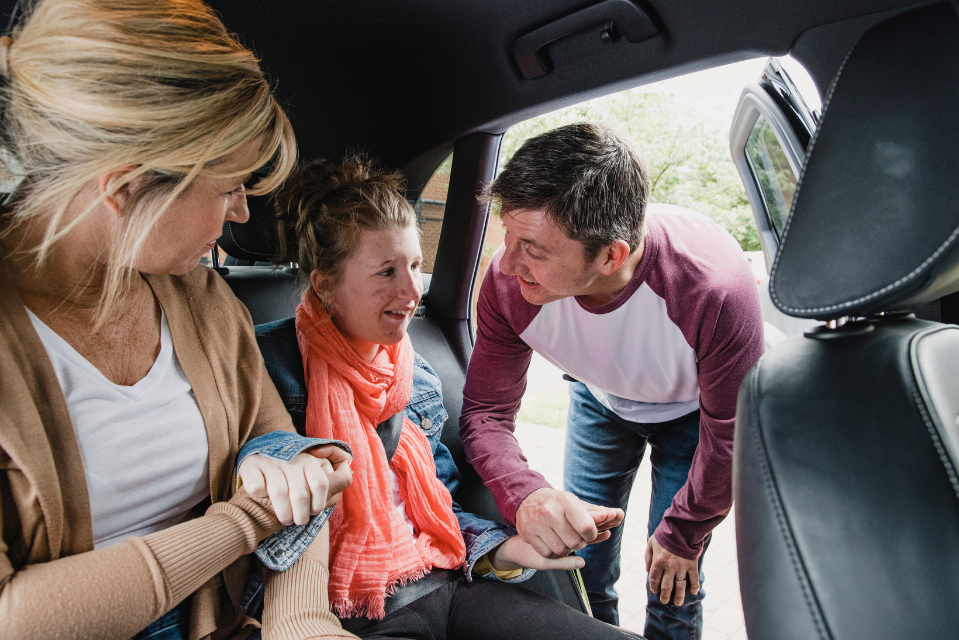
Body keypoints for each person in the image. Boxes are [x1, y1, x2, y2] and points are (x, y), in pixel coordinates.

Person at [0, 2, 355, 639]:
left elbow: (285, 452)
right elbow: (12, 618)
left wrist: (303, 619)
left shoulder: (202, 297)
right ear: (126, 187)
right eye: (228, 188)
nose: (243, 213)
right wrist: (243, 523)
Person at [258, 155, 634, 640]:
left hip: (442, 581)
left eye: (416, 265)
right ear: (326, 284)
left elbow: (440, 509)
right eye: (386, 272)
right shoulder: (266, 367)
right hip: (338, 610)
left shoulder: (417, 376)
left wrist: (507, 550)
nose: (412, 289)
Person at [460, 122, 764, 640]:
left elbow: (733, 434)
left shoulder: (712, 287)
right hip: (599, 400)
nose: (506, 264)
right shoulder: (506, 284)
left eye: (532, 248)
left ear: (610, 256)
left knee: (672, 577)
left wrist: (685, 531)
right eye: (507, 235)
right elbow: (485, 412)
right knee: (586, 563)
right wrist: (525, 494)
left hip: (694, 417)